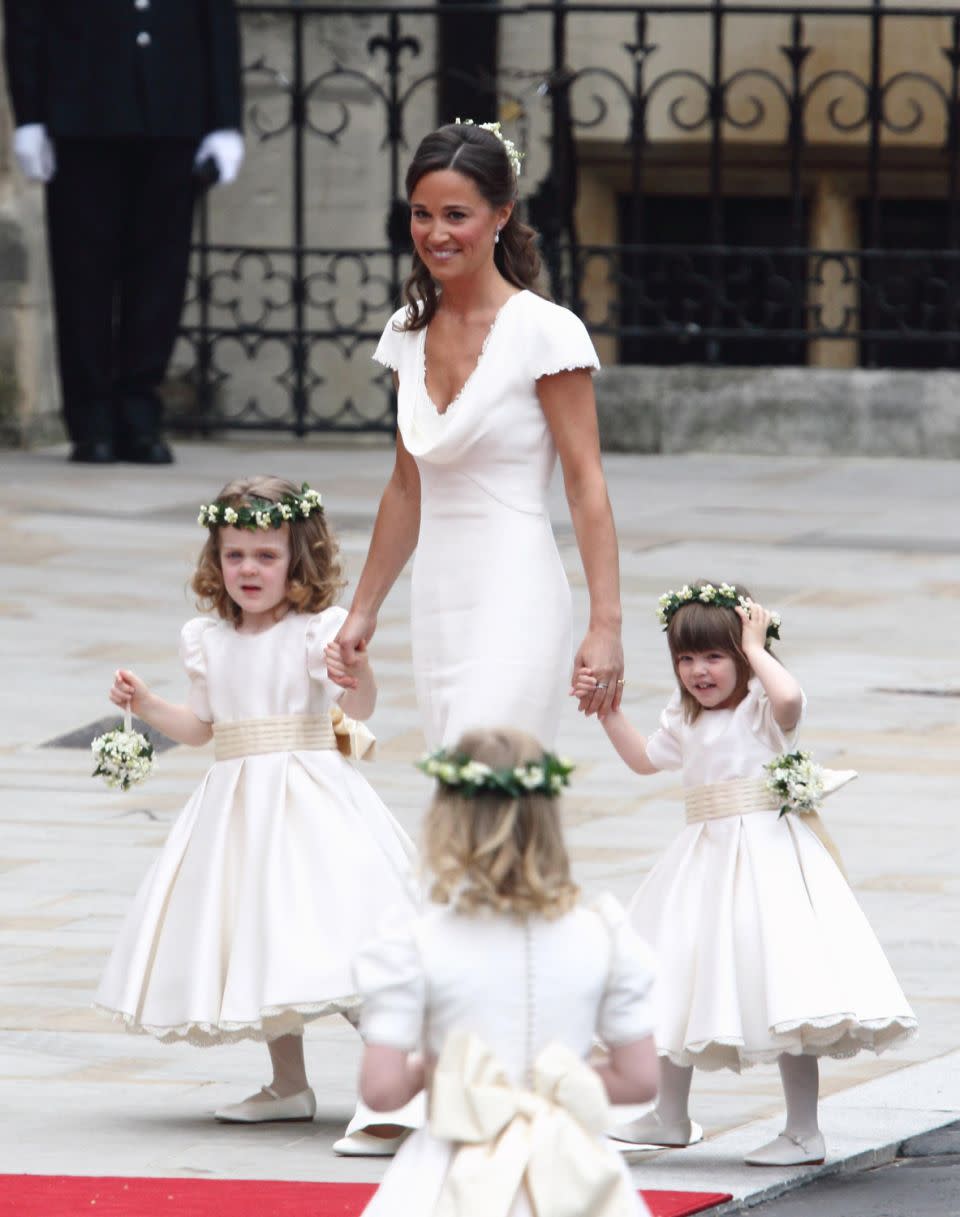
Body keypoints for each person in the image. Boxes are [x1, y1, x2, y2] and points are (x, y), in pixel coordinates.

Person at [95, 476, 419, 1136]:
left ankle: (402, 1079)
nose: (248, 568)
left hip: (307, 796)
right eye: (235, 553)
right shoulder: (207, 639)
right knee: (256, 931)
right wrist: (150, 705)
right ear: (215, 558)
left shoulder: (314, 631)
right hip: (236, 804)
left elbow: (356, 708)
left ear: (298, 559)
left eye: (266, 555)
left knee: (336, 930)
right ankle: (288, 1082)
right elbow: (204, 727)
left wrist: (356, 665)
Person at [574, 582, 918, 1167]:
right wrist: (608, 712)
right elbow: (641, 760)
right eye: (685, 658)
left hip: (765, 862)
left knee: (782, 985)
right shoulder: (683, 720)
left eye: (714, 656)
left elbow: (792, 700)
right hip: (701, 860)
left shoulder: (762, 709)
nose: (698, 672)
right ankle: (669, 1114)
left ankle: (804, 1130)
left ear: (742, 656)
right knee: (673, 972)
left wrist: (757, 647)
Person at [332, 120, 626, 755]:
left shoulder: (548, 332)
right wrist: (362, 610)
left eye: (456, 215)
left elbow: (585, 483)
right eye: (422, 214)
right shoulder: (406, 332)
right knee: (458, 795)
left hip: (517, 593)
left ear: (501, 214)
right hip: (439, 603)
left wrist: (606, 625)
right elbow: (406, 488)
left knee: (495, 776)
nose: (436, 234)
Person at [353, 727, 660, 1217]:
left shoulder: (416, 942)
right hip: (571, 1166)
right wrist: (552, 1088)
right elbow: (640, 1079)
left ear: (448, 822)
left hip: (452, 1166)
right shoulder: (602, 935)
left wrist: (434, 1073)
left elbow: (381, 1091)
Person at [2, 0, 245, 463]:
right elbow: (27, 19)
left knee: (160, 276)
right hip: (82, 113)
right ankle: (90, 418)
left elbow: (217, 22)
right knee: (82, 275)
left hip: (173, 114)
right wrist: (30, 114)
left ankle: (139, 414)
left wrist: (225, 121)